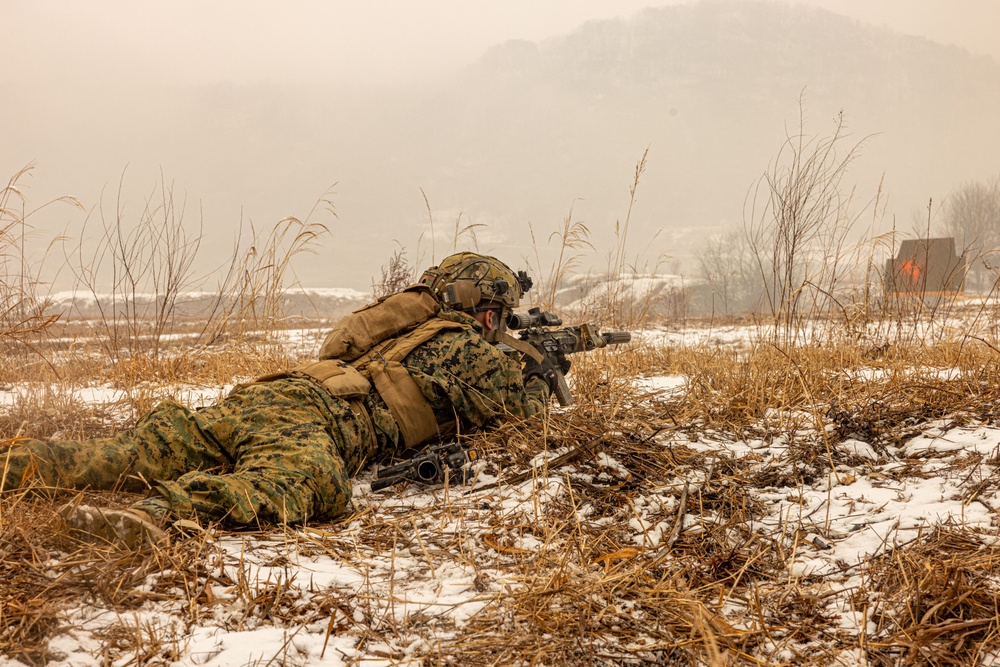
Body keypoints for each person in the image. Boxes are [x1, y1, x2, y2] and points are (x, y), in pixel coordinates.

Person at [0, 253, 561, 547]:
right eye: (499, 317)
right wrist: (545, 366)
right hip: (317, 418)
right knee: (304, 482)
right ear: (486, 312)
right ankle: (149, 515)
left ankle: (18, 462)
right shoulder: (462, 348)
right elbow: (527, 411)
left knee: (137, 451)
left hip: (273, 391)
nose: (499, 327)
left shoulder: (397, 328)